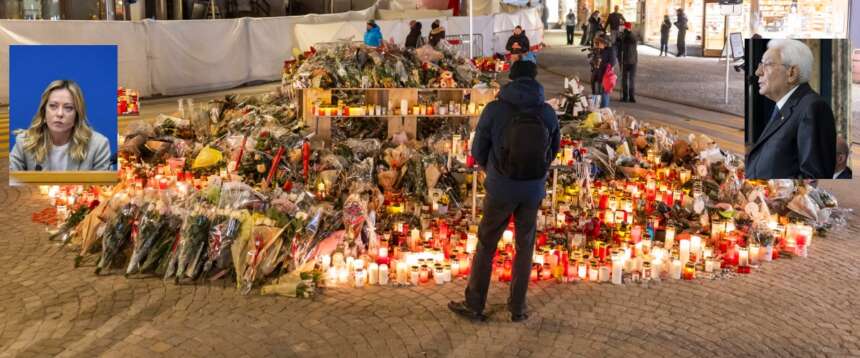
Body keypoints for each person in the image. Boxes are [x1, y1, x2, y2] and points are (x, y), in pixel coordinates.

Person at [448, 60, 560, 323]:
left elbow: (477, 151)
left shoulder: (496, 109)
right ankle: (518, 308)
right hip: (532, 191)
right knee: (524, 246)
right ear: (535, 79)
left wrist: (494, 170)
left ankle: (475, 304)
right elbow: (553, 149)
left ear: (511, 79)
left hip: (501, 189)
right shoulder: (546, 112)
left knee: (487, 244)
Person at [745, 39, 837, 179]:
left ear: (792, 73)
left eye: (767, 64)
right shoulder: (784, 105)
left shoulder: (813, 108)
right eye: (760, 65)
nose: (758, 72)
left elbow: (812, 179)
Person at [11, 79, 111, 171]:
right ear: (44, 112)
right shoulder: (24, 142)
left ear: (77, 114)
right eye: (53, 106)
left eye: (68, 108)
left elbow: (104, 188)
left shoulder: (98, 145)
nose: (59, 114)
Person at [594, 35, 618, 109]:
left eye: (600, 42)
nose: (599, 44)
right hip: (600, 75)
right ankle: (601, 110)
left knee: (604, 94)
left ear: (605, 43)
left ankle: (604, 110)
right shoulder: (600, 50)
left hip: (606, 76)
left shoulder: (611, 50)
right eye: (598, 43)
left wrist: (601, 63)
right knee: (599, 94)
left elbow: (613, 63)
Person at [619, 22, 638, 103]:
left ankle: (626, 97)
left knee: (625, 79)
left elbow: (621, 46)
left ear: (625, 27)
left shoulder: (626, 36)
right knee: (631, 79)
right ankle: (631, 97)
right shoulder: (633, 35)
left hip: (626, 60)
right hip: (633, 60)